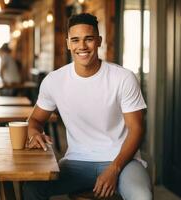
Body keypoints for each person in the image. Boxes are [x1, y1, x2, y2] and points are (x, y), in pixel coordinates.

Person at [23, 13, 152, 200]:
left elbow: (137, 129)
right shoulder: (54, 81)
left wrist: (114, 169)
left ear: (99, 41)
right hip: (77, 161)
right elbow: (34, 119)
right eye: (75, 40)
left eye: (88, 39)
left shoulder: (123, 78)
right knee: (32, 188)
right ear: (68, 43)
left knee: (142, 196)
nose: (82, 46)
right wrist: (34, 133)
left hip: (123, 161)